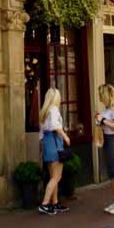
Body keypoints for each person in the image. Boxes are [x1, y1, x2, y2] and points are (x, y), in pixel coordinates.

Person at [38, 88, 71, 216]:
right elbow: (56, 126)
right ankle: (45, 204)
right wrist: (65, 136)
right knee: (57, 177)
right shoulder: (54, 110)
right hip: (55, 143)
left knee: (53, 177)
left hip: (47, 143)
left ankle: (55, 202)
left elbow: (41, 134)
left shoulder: (44, 112)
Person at [95, 84, 114, 215]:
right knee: (111, 173)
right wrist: (98, 121)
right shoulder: (107, 109)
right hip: (106, 140)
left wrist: (103, 120)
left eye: (101, 95)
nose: (99, 97)